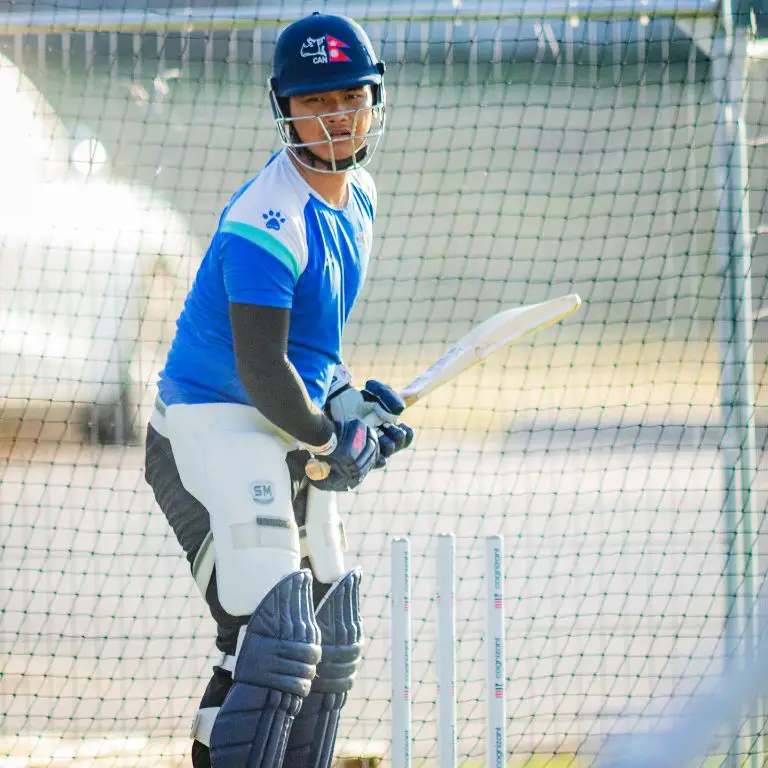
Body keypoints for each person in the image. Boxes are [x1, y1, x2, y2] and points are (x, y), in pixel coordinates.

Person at [144, 12, 413, 768]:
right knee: (279, 630)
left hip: (278, 424)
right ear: (284, 107)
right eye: (314, 101)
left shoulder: (359, 198)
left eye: (348, 97)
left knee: (328, 632)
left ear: (373, 98)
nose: (334, 117)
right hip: (210, 424)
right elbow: (261, 368)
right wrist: (333, 438)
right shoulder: (268, 217)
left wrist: (349, 406)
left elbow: (309, 354)